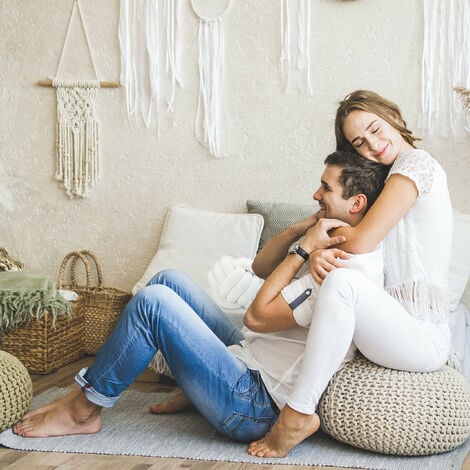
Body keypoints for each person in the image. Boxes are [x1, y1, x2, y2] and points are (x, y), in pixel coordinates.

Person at [12, 150, 387, 454]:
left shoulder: (341, 269)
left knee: (153, 304)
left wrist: (303, 251)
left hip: (254, 405)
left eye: (325, 188)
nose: (316, 194)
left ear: (356, 202)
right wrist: (299, 230)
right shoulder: (332, 241)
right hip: (247, 358)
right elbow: (260, 267)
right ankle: (184, 391)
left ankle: (84, 409)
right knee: (167, 280)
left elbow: (256, 317)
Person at [246, 90, 453, 458]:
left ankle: (297, 413)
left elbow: (359, 242)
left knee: (341, 283)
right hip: (390, 325)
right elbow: (265, 267)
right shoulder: (384, 183)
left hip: (423, 335)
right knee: (327, 286)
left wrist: (312, 249)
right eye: (360, 142)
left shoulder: (415, 164)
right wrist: (307, 242)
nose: (373, 145)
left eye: (375, 129)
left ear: (392, 114)